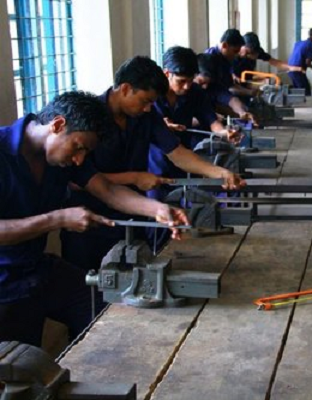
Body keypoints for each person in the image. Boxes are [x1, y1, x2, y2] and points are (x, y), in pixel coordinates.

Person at [0, 91, 189, 347]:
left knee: (109, 313)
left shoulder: (63, 160)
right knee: (19, 362)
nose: (79, 159)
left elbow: (107, 190)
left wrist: (156, 209)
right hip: (4, 285)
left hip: (38, 269)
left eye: (85, 152)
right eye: (78, 147)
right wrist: (57, 219)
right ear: (57, 125)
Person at [60, 56, 245, 273]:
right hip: (89, 222)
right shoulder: (89, 118)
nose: (149, 108)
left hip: (134, 213)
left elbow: (177, 153)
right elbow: (77, 181)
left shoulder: (145, 116)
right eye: (145, 100)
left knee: (137, 275)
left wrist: (218, 172)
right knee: (90, 283)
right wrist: (134, 177)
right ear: (126, 89)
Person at [150, 46, 241, 201]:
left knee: (185, 202)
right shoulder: (153, 96)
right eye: (181, 81)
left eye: (190, 80)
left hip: (184, 161)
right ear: (167, 74)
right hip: (155, 164)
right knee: (157, 206)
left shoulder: (195, 92)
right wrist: (161, 126)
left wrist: (223, 132)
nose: (187, 86)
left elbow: (211, 121)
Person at [204, 29, 256, 122]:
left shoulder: (225, 59)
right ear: (224, 45)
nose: (236, 55)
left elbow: (226, 88)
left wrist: (241, 111)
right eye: (235, 51)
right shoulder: (209, 60)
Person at [233, 32, 302, 80]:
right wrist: (233, 76)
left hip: (246, 79)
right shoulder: (233, 54)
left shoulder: (257, 51)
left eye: (252, 53)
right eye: (248, 52)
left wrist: (291, 68)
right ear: (241, 46)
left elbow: (274, 62)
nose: (252, 56)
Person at [288, 28, 312, 96]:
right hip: (298, 71)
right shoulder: (311, 45)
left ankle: (297, 102)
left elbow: (302, 56)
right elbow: (307, 62)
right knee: (306, 92)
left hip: (290, 69)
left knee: (298, 91)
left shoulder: (298, 43)